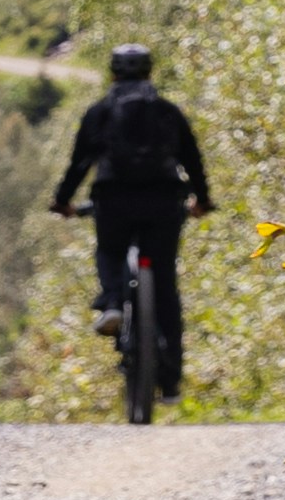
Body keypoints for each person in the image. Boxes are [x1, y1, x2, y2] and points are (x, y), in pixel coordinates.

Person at [50, 46, 212, 399]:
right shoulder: (168, 111)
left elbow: (80, 162)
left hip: (113, 198)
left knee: (109, 251)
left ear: (113, 74)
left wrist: (62, 201)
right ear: (150, 73)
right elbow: (193, 159)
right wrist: (202, 199)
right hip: (165, 200)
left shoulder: (101, 111)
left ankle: (112, 303)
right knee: (165, 286)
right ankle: (169, 383)